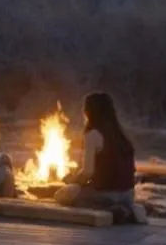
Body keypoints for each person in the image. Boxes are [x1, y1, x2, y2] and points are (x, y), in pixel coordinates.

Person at [54, 91, 148, 224]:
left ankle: (111, 210)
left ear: (90, 112)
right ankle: (128, 209)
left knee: (62, 196)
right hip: (129, 194)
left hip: (106, 194)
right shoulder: (121, 135)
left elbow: (88, 172)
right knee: (79, 193)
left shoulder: (93, 135)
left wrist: (73, 182)